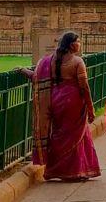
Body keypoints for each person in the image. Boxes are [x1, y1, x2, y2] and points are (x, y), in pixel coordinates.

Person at [28, 32, 100, 181]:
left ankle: (55, 170)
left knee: (59, 134)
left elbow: (37, 76)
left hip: (55, 100)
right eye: (78, 41)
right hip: (73, 101)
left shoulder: (49, 61)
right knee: (76, 136)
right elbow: (84, 87)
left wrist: (24, 71)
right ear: (72, 45)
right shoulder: (77, 61)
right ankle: (75, 171)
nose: (79, 44)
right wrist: (91, 108)